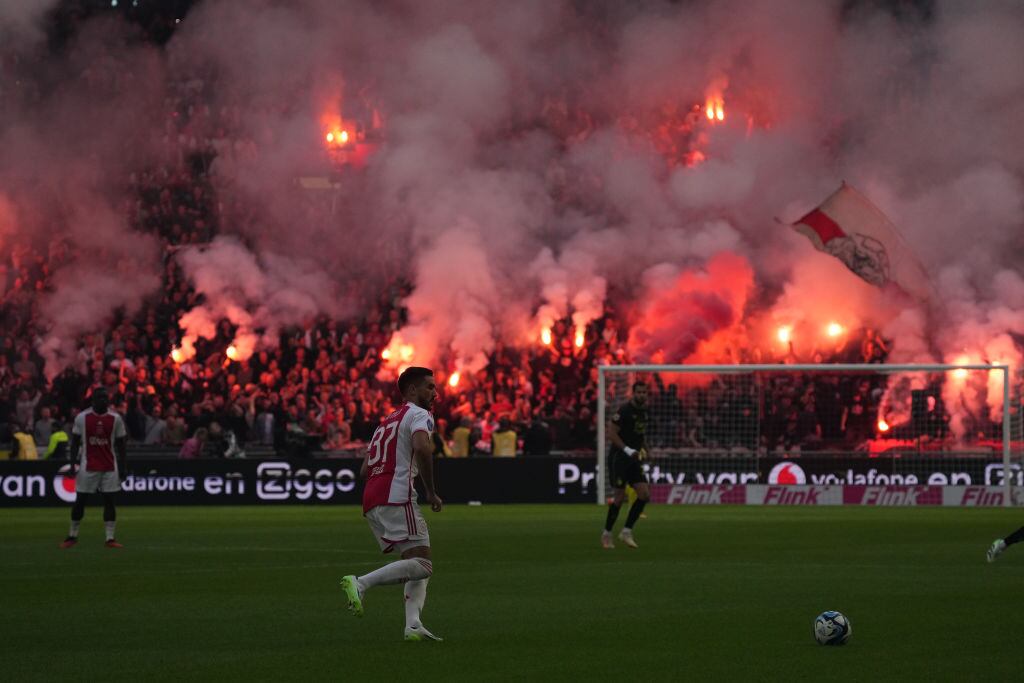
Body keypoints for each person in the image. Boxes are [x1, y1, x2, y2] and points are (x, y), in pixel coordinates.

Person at [341, 367, 444, 642]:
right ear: (411, 390)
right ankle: (360, 583)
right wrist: (431, 492)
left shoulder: (386, 421)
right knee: (423, 564)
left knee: (415, 559)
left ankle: (412, 625)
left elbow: (364, 469)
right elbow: (422, 448)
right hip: (396, 494)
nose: (435, 393)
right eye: (429, 387)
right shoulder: (420, 415)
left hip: (373, 497)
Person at [60, 388, 128, 549]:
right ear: (93, 401)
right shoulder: (82, 418)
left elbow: (121, 444)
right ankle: (72, 536)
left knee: (110, 501)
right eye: (100, 398)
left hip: (109, 466)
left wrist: (124, 466)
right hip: (88, 466)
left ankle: (110, 539)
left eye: (106, 398)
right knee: (80, 501)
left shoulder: (115, 418)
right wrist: (72, 465)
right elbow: (75, 442)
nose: (104, 400)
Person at [601, 381, 651, 549]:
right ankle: (607, 534)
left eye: (644, 392)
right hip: (619, 458)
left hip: (634, 458)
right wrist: (627, 450)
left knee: (644, 494)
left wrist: (646, 449)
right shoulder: (623, 411)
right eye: (639, 392)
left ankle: (626, 531)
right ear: (633, 393)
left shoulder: (644, 412)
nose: (642, 395)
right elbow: (611, 433)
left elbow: (640, 434)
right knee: (619, 498)